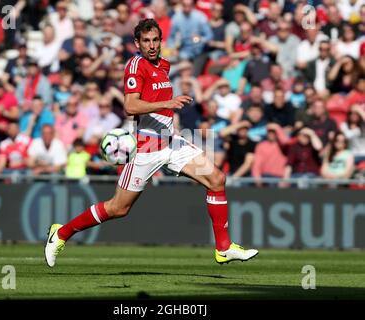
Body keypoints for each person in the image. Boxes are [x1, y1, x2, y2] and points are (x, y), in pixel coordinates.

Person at [45, 19, 258, 267]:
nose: (152, 45)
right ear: (137, 43)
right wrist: (166, 104)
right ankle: (61, 233)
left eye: (155, 40)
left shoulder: (163, 65)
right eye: (146, 41)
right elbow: (130, 106)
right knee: (118, 209)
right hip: (146, 148)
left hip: (171, 143)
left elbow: (155, 99)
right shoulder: (135, 66)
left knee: (216, 179)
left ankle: (223, 248)